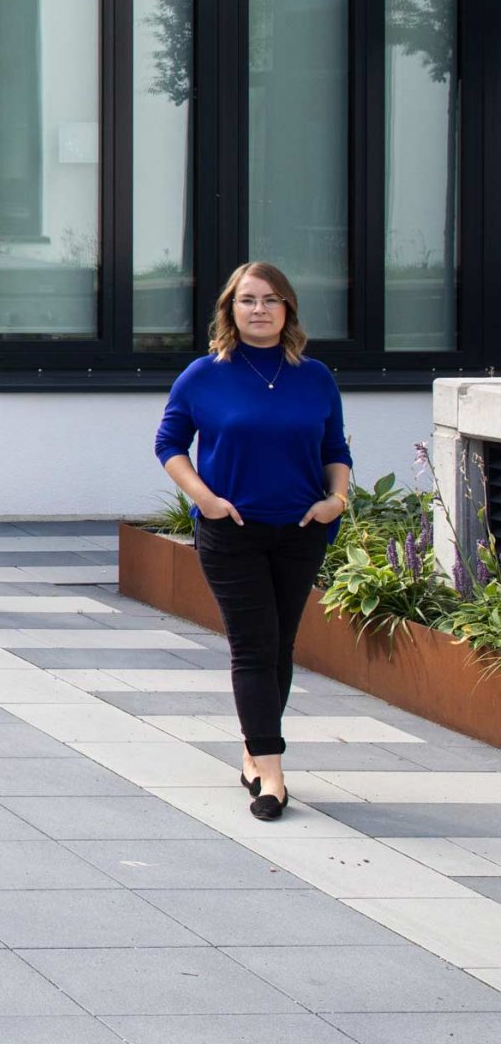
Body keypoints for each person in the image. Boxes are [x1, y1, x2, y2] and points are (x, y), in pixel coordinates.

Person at [156, 262, 351, 823]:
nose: (259, 309)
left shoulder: (314, 376)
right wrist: (206, 499)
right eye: (247, 300)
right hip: (230, 530)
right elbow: (169, 443)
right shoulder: (204, 374)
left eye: (270, 300)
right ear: (230, 309)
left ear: (287, 308)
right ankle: (273, 772)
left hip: (301, 530)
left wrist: (335, 499)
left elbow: (335, 448)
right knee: (253, 646)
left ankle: (252, 750)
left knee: (280, 646)